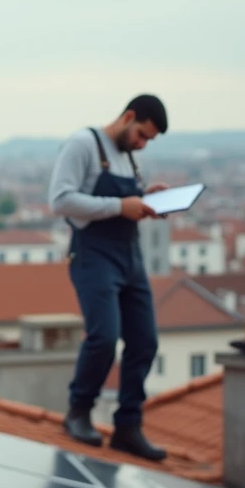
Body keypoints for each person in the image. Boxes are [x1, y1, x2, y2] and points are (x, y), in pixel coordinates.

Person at [47, 94, 171, 462]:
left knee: (145, 341)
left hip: (129, 257)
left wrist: (146, 200)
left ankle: (128, 427)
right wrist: (121, 206)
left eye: (148, 141)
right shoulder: (83, 144)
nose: (142, 145)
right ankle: (79, 411)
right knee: (104, 336)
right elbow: (60, 200)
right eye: (141, 135)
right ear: (128, 116)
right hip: (93, 255)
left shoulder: (127, 157)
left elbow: (123, 206)